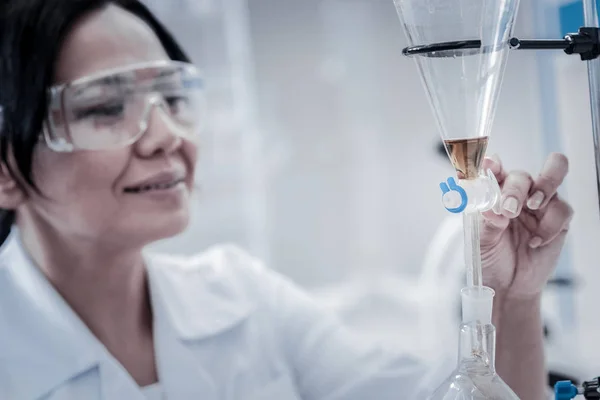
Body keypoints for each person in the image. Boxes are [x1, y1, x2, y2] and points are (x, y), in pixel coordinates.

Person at [0, 0, 572, 399]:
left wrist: (510, 299)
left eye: (172, 97)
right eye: (104, 108)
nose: (165, 135)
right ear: (6, 170)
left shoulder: (244, 301)